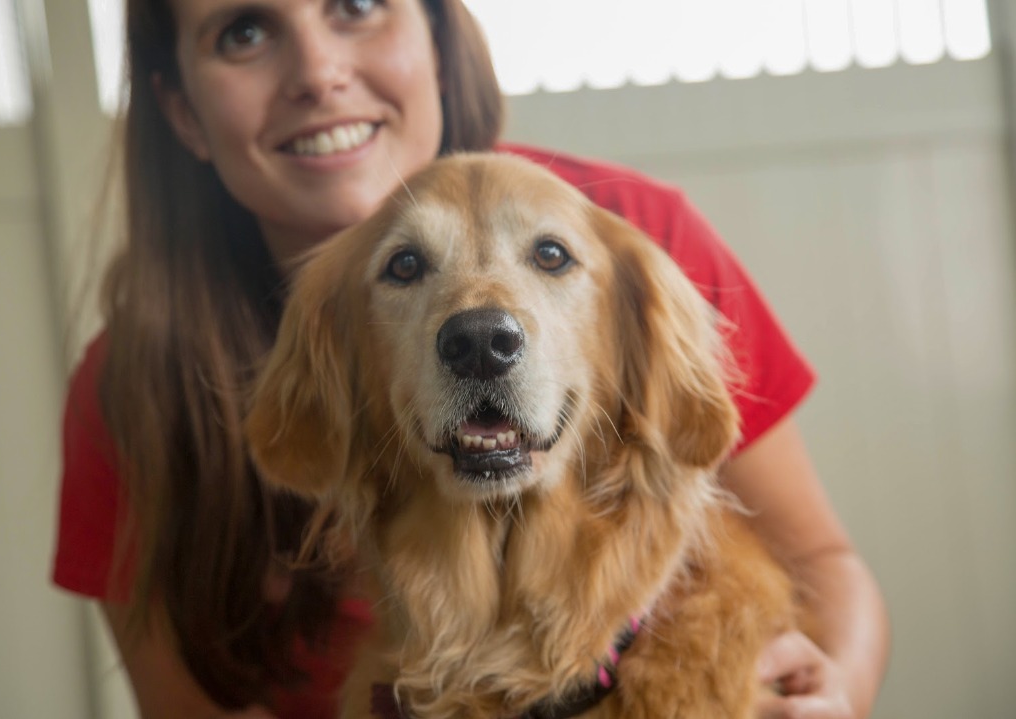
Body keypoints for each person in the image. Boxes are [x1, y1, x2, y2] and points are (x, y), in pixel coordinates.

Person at [51, 0, 890, 717]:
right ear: (182, 111)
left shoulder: (631, 238)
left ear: (438, 43)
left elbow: (822, 564)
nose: (317, 72)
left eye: (356, 3)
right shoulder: (133, 390)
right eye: (243, 31)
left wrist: (833, 692)